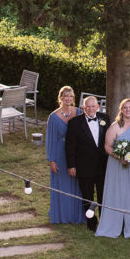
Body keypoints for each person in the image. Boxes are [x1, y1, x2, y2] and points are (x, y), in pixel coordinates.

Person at [96, 98, 130, 238]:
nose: (128, 110)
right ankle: (118, 223)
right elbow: (107, 147)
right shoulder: (115, 126)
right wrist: (119, 157)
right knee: (120, 193)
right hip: (119, 166)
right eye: (125, 107)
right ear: (121, 109)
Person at [65, 94, 110, 231]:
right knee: (87, 196)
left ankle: (104, 221)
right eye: (87, 107)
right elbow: (70, 146)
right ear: (83, 107)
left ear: (97, 107)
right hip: (84, 165)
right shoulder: (74, 123)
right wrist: (71, 165)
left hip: (103, 165)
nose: (90, 109)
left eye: (93, 106)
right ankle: (91, 223)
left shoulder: (105, 118)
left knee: (104, 194)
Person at [46, 86, 85, 224]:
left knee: (76, 184)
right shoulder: (53, 117)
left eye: (71, 96)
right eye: (65, 96)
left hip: (76, 153)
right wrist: (52, 160)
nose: (68, 99)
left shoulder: (80, 112)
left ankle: (76, 215)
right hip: (60, 154)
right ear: (60, 98)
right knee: (62, 184)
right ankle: (62, 215)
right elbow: (50, 139)